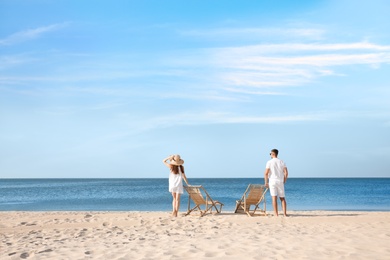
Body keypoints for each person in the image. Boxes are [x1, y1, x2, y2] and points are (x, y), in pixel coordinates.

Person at [264, 149, 289, 217]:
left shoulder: (269, 162)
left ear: (273, 154)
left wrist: (266, 182)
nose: (270, 155)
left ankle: (276, 214)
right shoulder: (282, 162)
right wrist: (284, 180)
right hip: (280, 181)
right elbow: (286, 173)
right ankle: (284, 214)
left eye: (270, 154)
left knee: (274, 198)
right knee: (282, 198)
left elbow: (266, 173)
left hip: (272, 181)